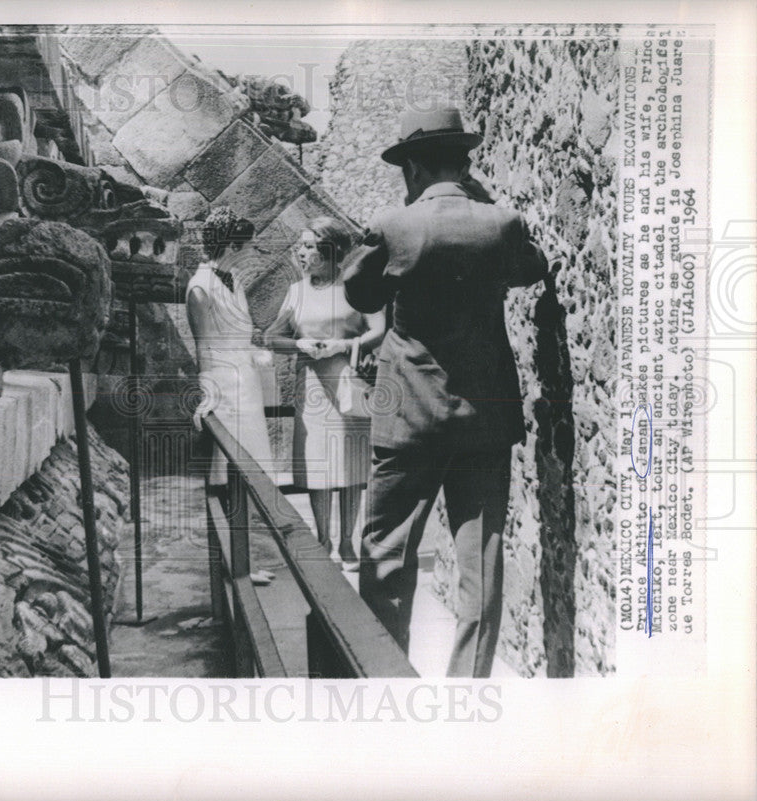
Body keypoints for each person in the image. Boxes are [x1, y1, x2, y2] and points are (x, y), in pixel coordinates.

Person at [344, 107, 548, 676]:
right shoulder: (502, 223)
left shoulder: (394, 226)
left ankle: (383, 682)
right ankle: (467, 690)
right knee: (480, 560)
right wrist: (480, 201)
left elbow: (358, 296)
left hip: (409, 415)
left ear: (410, 167)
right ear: (465, 163)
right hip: (485, 420)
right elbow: (533, 267)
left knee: (385, 554)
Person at [261, 217, 386, 572]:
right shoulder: (297, 292)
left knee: (350, 465)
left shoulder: (355, 288)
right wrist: (299, 342)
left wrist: (343, 344)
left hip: (348, 384)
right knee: (318, 465)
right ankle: (323, 539)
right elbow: (272, 336)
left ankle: (348, 542)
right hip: (311, 387)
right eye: (300, 246)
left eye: (308, 246)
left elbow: (379, 328)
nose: (300, 253)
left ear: (329, 251)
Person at [187, 207, 276, 585]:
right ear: (231, 244)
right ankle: (235, 564)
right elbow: (203, 347)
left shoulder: (233, 279)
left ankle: (243, 560)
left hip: (248, 383)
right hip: (223, 384)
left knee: (249, 472)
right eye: (247, 244)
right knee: (227, 472)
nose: (252, 250)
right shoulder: (200, 287)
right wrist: (207, 393)